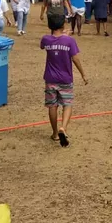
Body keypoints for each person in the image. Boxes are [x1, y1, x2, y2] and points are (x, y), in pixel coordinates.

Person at [40, 14, 88, 147]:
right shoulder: (69, 41)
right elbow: (75, 59)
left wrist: (61, 34)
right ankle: (63, 128)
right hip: (66, 78)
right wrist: (83, 74)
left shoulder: (46, 40)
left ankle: (55, 133)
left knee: (52, 106)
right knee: (67, 104)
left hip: (50, 78)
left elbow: (43, 45)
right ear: (63, 25)